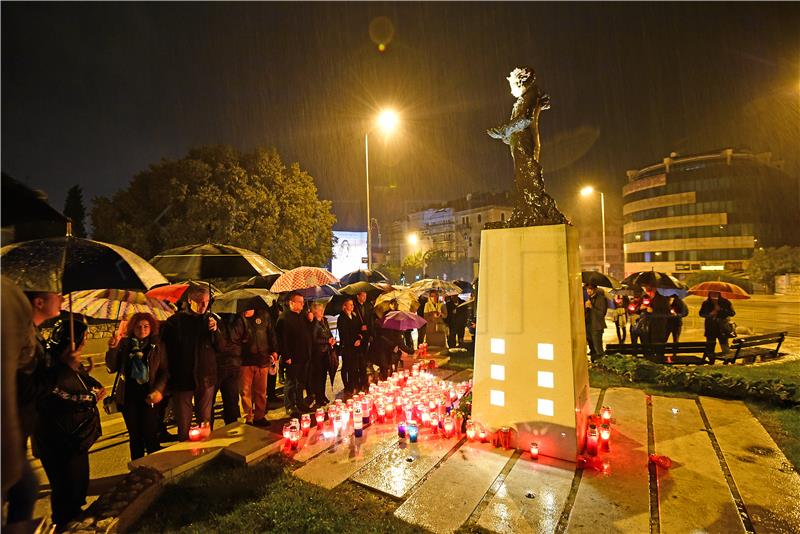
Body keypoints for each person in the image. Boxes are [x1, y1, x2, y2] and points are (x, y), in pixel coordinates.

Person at [2, 281, 62, 526]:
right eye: (55, 294)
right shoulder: (21, 337)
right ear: (39, 302)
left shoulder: (32, 336)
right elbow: (25, 389)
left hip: (17, 432)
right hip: (9, 433)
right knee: (22, 487)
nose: (60, 297)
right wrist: (60, 369)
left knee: (26, 487)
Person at [35, 319, 104, 530]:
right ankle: (66, 524)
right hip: (61, 436)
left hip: (73, 435)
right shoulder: (48, 362)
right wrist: (90, 398)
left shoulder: (61, 359)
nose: (84, 343)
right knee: (67, 488)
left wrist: (82, 372)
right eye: (82, 338)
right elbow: (58, 393)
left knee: (77, 485)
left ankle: (73, 518)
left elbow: (79, 382)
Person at [160, 284, 221, 441]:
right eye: (199, 301)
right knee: (184, 422)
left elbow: (221, 347)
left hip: (206, 376)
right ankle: (185, 456)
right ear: (189, 300)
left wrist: (215, 332)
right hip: (182, 378)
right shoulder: (174, 322)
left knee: (205, 421)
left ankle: (206, 452)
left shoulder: (210, 320)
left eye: (207, 301)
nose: (203, 305)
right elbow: (165, 350)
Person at [105, 313, 168, 460]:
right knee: (135, 437)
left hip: (149, 396)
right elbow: (111, 367)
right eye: (138, 326)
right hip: (129, 397)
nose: (142, 329)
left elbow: (164, 371)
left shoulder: (157, 344)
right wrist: (112, 349)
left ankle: (155, 469)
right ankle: (137, 470)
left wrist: (158, 390)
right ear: (132, 328)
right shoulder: (124, 344)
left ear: (151, 327)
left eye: (146, 326)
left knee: (150, 434)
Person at [240, 304, 278, 426]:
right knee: (246, 392)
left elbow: (271, 333)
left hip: (262, 359)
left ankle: (260, 416)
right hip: (245, 361)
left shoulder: (263, 315)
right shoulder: (238, 318)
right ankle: (248, 417)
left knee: (261, 391)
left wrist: (274, 350)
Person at [276, 292, 313, 418]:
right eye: (300, 302)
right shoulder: (284, 318)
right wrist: (286, 357)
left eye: (303, 302)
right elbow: (282, 340)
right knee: (291, 382)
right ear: (291, 303)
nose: (303, 304)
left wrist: (310, 320)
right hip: (292, 357)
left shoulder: (302, 316)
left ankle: (300, 402)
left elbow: (308, 333)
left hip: (304, 355)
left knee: (301, 382)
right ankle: (290, 406)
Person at [213, 312, 245, 427]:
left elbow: (241, 336)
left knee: (231, 399)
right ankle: (209, 432)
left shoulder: (237, 319)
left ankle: (232, 426)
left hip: (232, 363)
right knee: (210, 401)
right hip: (216, 364)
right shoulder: (211, 318)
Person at [309, 302, 335, 407]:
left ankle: (323, 395)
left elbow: (329, 333)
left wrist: (332, 339)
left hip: (326, 352)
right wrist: (327, 341)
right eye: (320, 310)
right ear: (315, 312)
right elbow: (314, 339)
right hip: (318, 353)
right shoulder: (314, 323)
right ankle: (318, 397)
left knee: (324, 376)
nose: (322, 312)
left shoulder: (324, 321)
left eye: (322, 310)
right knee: (318, 377)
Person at [699, 291, 736, 364]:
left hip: (722, 328)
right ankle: (711, 361)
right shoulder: (706, 303)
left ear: (719, 294)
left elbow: (732, 313)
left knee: (724, 344)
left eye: (716, 294)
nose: (714, 295)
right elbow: (701, 313)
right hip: (710, 328)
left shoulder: (725, 302)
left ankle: (727, 360)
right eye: (712, 294)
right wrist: (710, 314)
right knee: (710, 345)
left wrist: (721, 310)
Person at [337, 297, 364, 395]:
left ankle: (353, 383)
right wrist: (353, 341)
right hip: (347, 346)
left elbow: (358, 329)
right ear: (345, 306)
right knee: (346, 366)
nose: (352, 306)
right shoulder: (342, 318)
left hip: (356, 345)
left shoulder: (354, 315)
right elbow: (344, 333)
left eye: (353, 304)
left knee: (354, 365)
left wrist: (359, 338)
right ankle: (347, 385)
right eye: (350, 304)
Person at [640, 286, 670, 362]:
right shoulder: (645, 298)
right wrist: (640, 308)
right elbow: (636, 310)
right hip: (647, 329)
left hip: (658, 328)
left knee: (658, 348)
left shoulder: (662, 299)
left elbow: (667, 313)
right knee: (648, 348)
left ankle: (659, 364)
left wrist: (653, 311)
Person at [354, 290, 375, 381]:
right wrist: (360, 327)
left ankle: (364, 368)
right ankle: (360, 370)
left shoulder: (368, 306)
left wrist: (369, 329)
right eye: (363, 296)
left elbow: (370, 319)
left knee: (365, 352)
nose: (364, 298)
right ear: (358, 296)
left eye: (365, 296)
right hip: (358, 334)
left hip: (366, 333)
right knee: (359, 353)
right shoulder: (355, 306)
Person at [584, 283, 608, 362]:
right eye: (587, 289)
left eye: (590, 289)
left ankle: (601, 364)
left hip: (596, 327)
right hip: (588, 326)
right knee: (591, 348)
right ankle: (594, 362)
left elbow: (601, 314)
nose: (588, 291)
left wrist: (591, 307)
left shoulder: (601, 299)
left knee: (598, 348)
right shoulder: (589, 299)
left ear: (595, 289)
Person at [665, 295, 689, 363]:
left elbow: (685, 312)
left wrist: (677, 315)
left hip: (676, 323)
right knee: (664, 338)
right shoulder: (665, 302)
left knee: (675, 339)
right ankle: (662, 352)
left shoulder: (680, 302)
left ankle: (675, 354)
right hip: (667, 323)